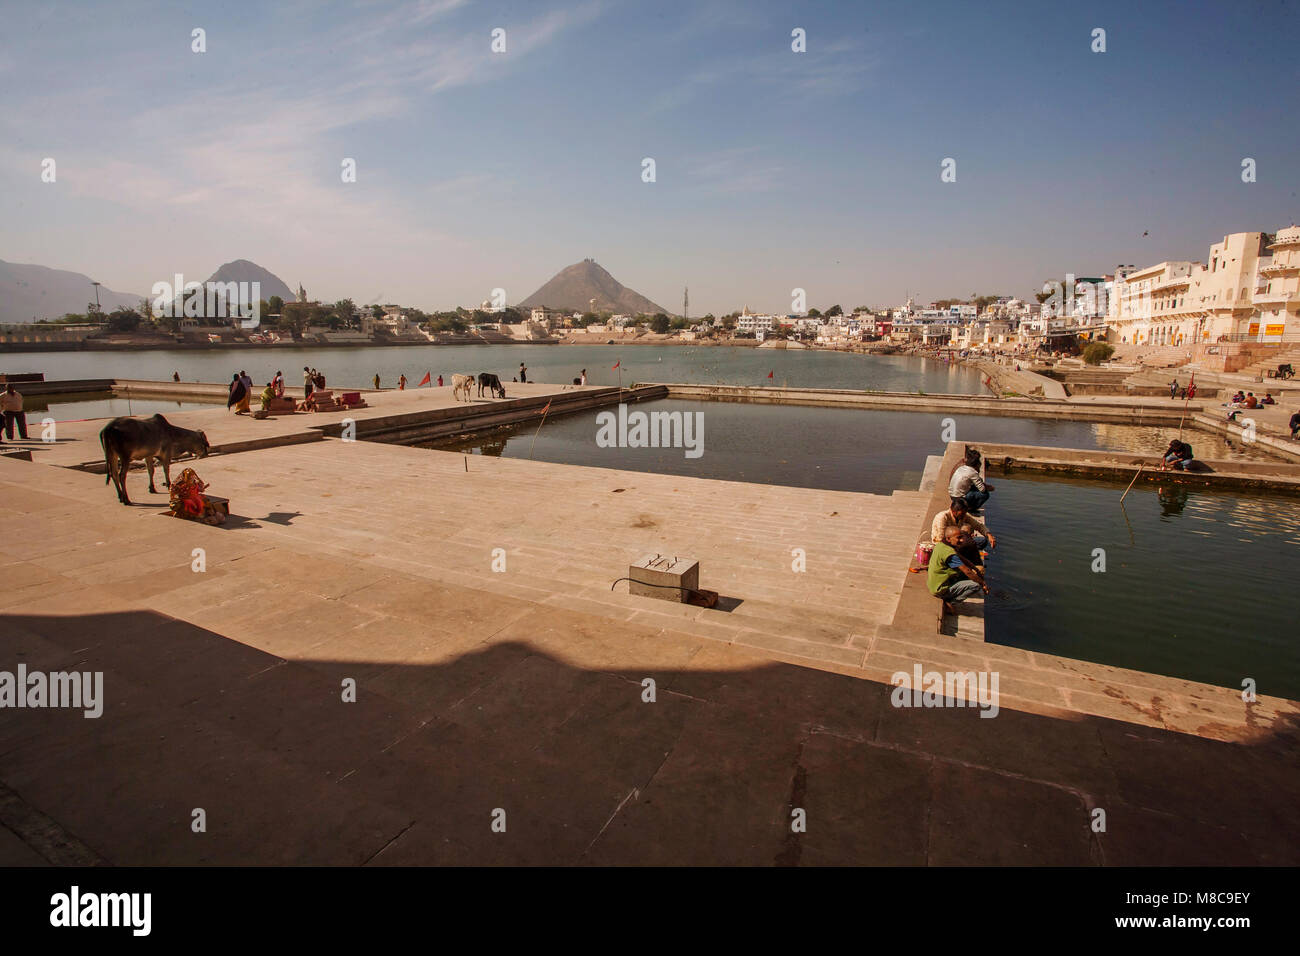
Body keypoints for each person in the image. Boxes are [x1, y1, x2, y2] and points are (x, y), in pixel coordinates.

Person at [928, 526, 989, 615]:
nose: (962, 540)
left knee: (973, 573)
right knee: (976, 585)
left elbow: (964, 560)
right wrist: (982, 583)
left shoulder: (942, 545)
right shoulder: (950, 554)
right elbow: (967, 571)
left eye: (962, 537)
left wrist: (975, 569)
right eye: (958, 538)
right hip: (940, 588)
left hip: (933, 583)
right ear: (948, 539)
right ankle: (950, 603)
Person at [931, 497, 996, 563]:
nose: (964, 515)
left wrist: (989, 535)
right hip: (945, 544)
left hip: (956, 541)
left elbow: (978, 525)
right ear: (954, 511)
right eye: (962, 514)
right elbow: (941, 539)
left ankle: (964, 554)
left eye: (965, 513)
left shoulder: (963, 515)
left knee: (983, 541)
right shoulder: (942, 517)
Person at [949, 448, 993, 512]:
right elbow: (982, 489)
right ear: (977, 464)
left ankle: (968, 506)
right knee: (985, 494)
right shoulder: (972, 472)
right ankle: (971, 509)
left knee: (974, 487)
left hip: (952, 496)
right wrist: (989, 487)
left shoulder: (961, 468)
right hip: (960, 498)